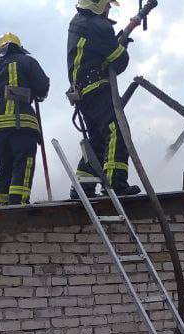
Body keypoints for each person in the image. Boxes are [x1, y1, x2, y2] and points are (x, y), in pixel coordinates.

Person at [66, 0, 140, 197]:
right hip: (97, 89)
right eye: (107, 5)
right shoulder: (99, 25)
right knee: (117, 131)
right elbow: (120, 61)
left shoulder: (79, 22)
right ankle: (116, 184)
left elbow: (96, 56)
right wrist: (121, 48)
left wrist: (116, 44)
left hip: (83, 92)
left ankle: (83, 186)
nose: (108, 9)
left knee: (98, 140)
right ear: (98, 5)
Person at [0, 33, 50, 205]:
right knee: (24, 161)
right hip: (22, 122)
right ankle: (19, 202)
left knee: (4, 164)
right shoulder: (27, 62)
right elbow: (42, 87)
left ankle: (2, 202)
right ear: (19, 47)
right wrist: (34, 93)